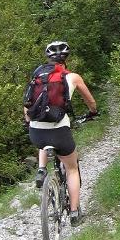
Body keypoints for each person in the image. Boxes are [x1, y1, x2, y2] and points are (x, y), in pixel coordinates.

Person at [24, 40, 98, 227]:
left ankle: (41, 170)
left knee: (43, 140)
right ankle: (74, 213)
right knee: (72, 169)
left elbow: (27, 104)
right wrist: (93, 113)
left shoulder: (38, 75)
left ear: (47, 58)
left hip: (36, 131)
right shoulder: (72, 77)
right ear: (66, 59)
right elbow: (91, 101)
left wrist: (29, 122)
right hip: (59, 130)